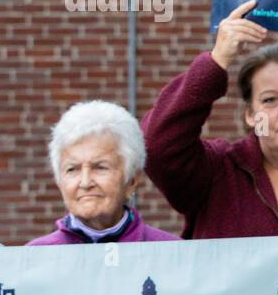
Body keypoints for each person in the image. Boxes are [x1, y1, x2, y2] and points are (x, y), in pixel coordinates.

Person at [141, 0, 278, 238]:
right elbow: (157, 145)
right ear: (250, 115)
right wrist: (216, 61)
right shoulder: (216, 175)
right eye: (269, 100)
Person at [29, 101, 179, 245]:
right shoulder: (35, 258)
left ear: (132, 181)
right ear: (59, 182)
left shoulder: (170, 253)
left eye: (100, 167)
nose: (86, 183)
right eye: (72, 169)